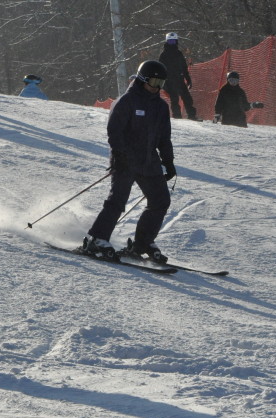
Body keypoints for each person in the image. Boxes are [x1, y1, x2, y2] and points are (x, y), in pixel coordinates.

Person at [81, 60, 175, 263]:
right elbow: (114, 132)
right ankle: (97, 239)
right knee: (117, 201)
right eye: (154, 81)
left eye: (161, 82)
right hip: (126, 160)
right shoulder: (127, 101)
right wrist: (120, 156)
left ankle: (143, 243)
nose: (157, 86)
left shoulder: (160, 106)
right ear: (142, 79)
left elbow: (164, 138)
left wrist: (168, 162)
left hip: (149, 162)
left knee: (160, 201)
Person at [158, 32, 197, 120]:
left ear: (176, 42)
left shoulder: (179, 53)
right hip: (169, 81)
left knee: (187, 98)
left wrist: (188, 79)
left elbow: (184, 67)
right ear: (167, 42)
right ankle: (177, 117)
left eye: (173, 41)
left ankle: (192, 115)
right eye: (170, 41)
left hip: (179, 80)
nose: (172, 43)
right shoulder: (163, 55)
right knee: (174, 99)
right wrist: (163, 82)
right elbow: (160, 69)